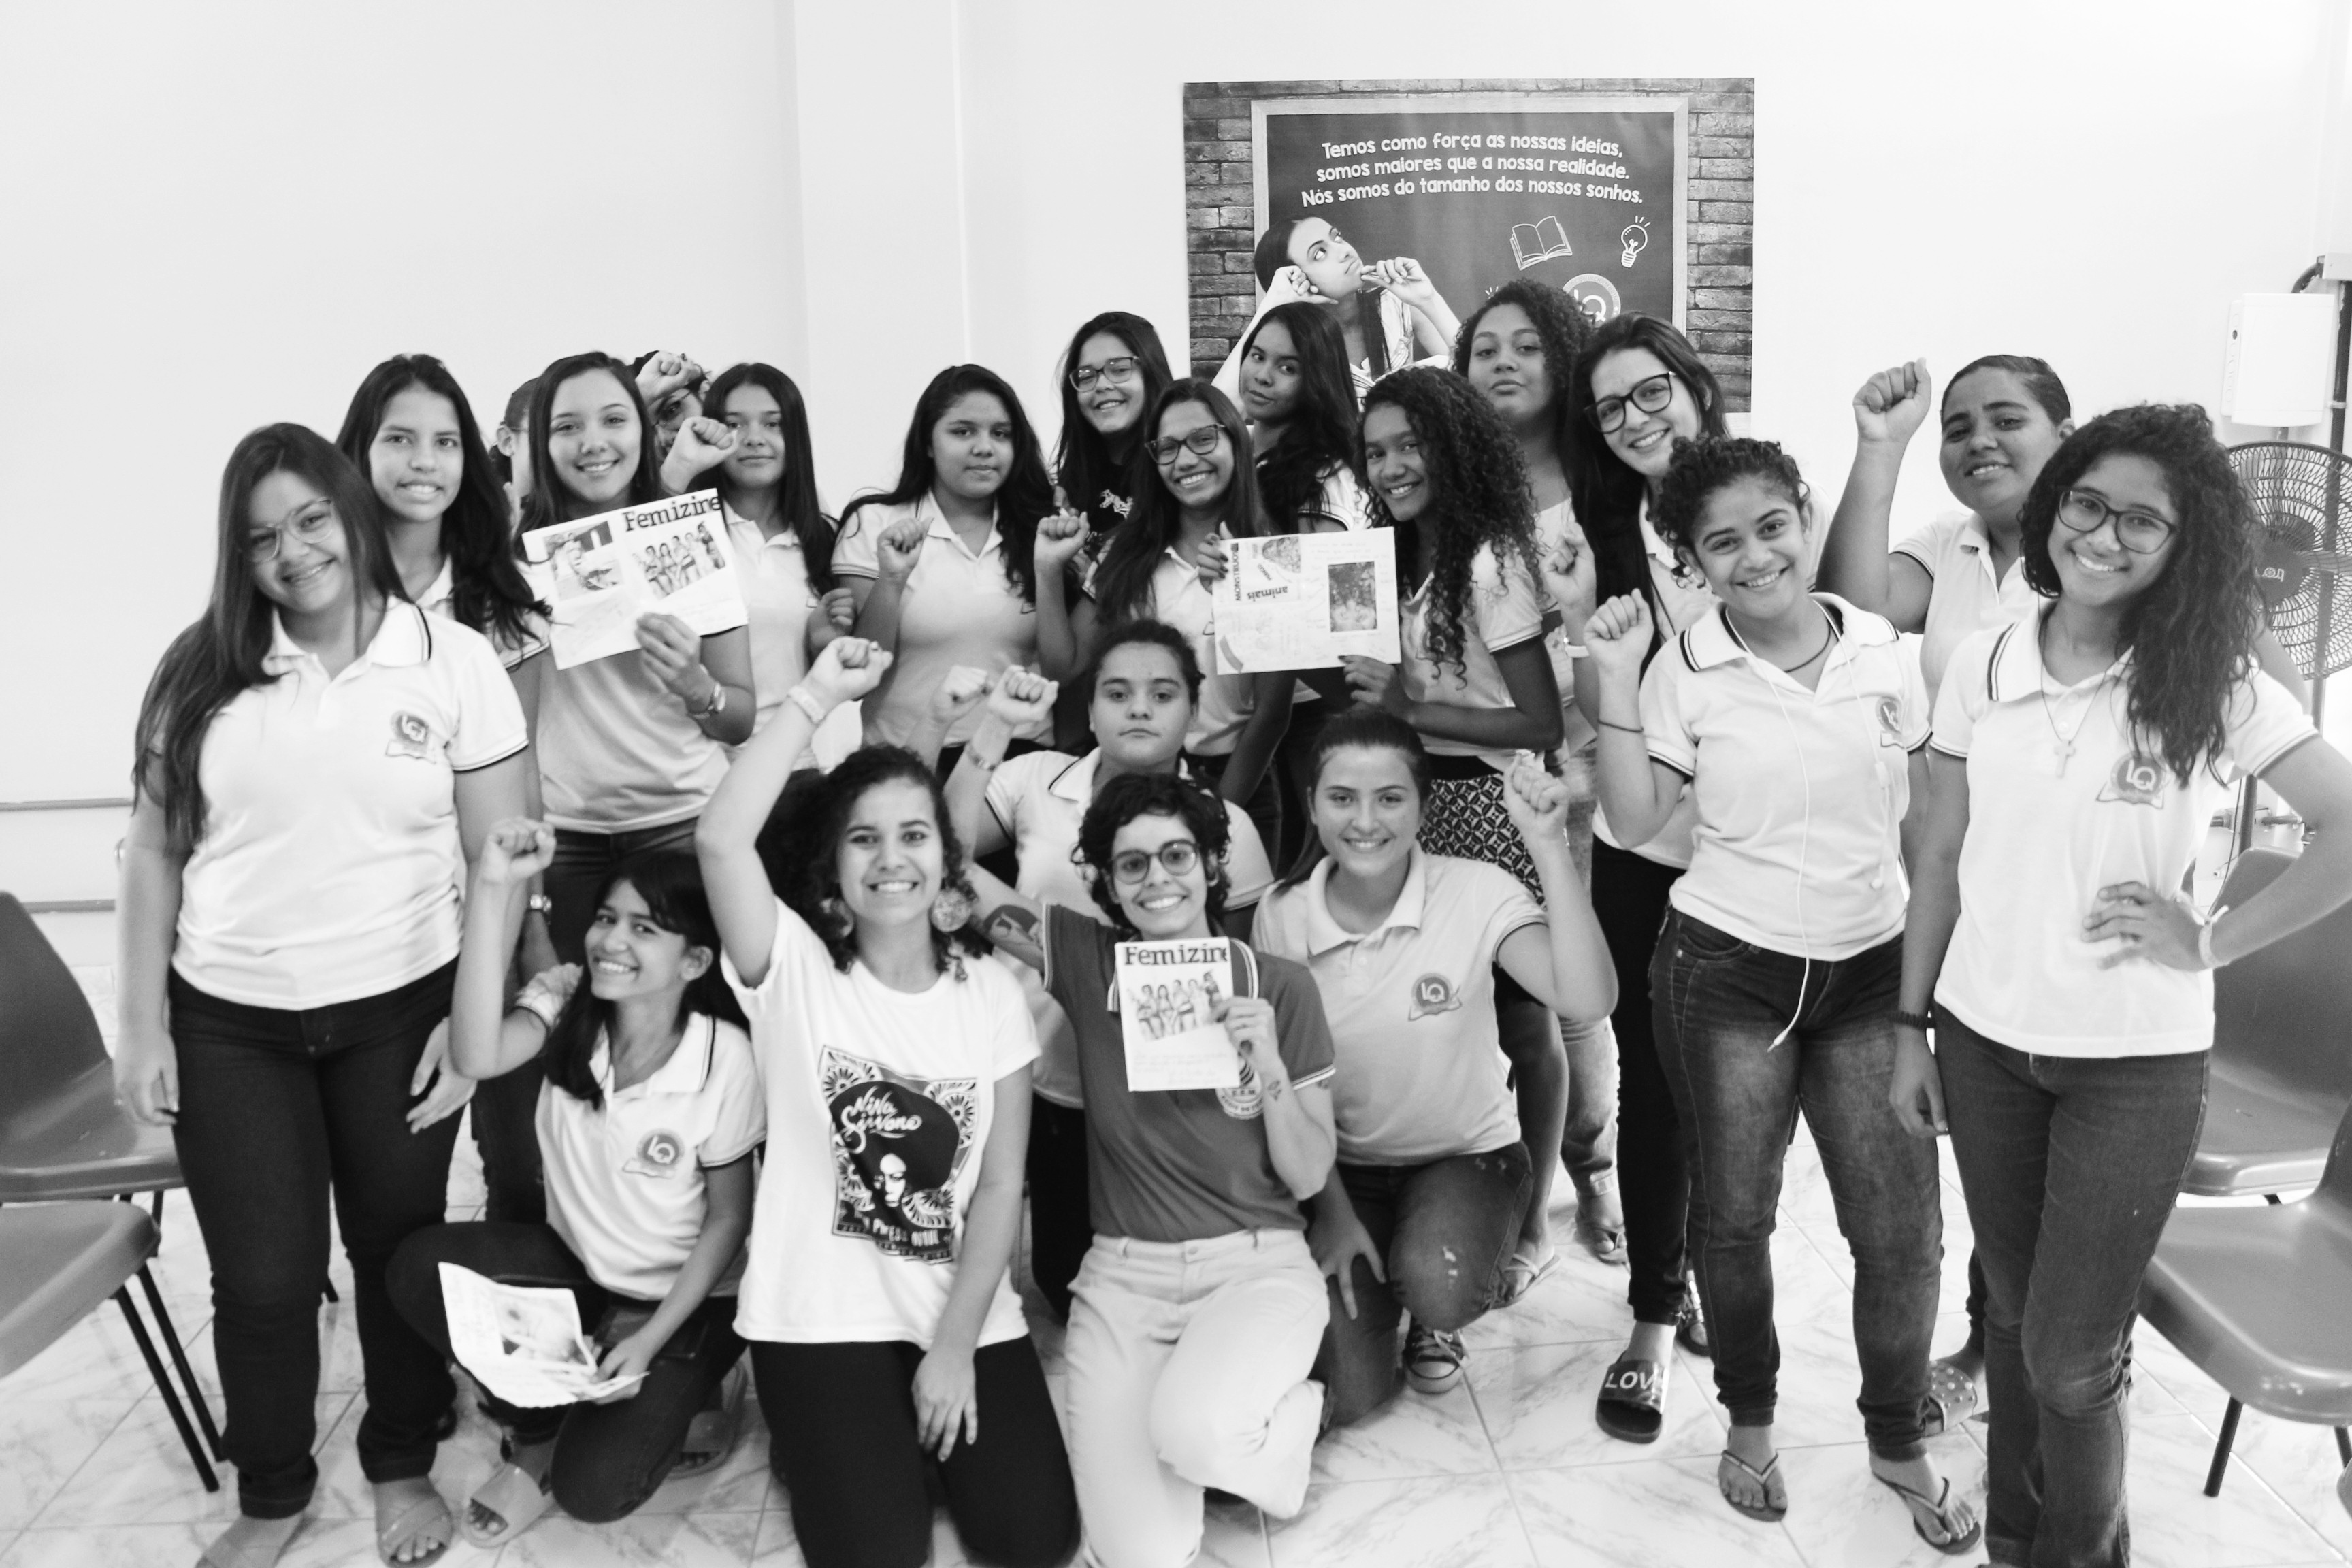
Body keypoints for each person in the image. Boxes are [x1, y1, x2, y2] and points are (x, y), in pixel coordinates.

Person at [1891, 403, 2352, 1568]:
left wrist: (2214, 940)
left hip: (2135, 1063)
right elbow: (1939, 851)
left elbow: (2346, 826)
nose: (2104, 534)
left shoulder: (2212, 675)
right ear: (2056, 506)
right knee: (2013, 1319)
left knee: (2068, 1354)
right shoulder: (1985, 658)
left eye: (2142, 520)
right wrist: (1908, 1024)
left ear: (2183, 543)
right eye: (2088, 504)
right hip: (1983, 1041)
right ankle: (2017, 1540)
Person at [112, 425, 531, 1568]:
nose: (292, 553)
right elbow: (152, 851)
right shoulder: (200, 668)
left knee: (394, 1250)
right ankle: (272, 1491)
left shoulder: (452, 661)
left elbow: (500, 859)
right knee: (263, 1276)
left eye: (309, 520)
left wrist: (468, 1026)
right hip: (229, 1021)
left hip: (401, 1010)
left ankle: (400, 1458)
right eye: (261, 539)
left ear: (351, 513)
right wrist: (140, 1025)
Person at [1584, 435, 1974, 1549]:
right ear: (1691, 560)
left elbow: (1927, 826)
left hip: (1870, 972)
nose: (1755, 557)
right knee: (1736, 1212)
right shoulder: (1682, 667)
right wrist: (1614, 678)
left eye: (1771, 526)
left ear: (1804, 516)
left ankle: (1894, 1436)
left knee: (1900, 1230)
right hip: (1725, 970)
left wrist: (1929, 989)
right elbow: (1635, 816)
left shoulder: (1885, 652)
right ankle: (1749, 1421)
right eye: (1722, 543)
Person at [696, 637, 1079, 1568]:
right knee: (877, 1554)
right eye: (863, 838)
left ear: (947, 857)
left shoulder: (991, 994)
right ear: (833, 864)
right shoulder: (790, 969)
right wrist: (815, 696)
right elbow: (720, 839)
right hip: (820, 1316)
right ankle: (844, 1441)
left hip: (953, 1304)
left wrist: (953, 1348)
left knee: (1033, 1542)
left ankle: (893, 1435)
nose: (891, 858)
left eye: (914, 835)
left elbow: (1001, 1187)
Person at [949, 666, 1339, 1568]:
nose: (1157, 878)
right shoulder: (1086, 960)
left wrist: (1270, 1067)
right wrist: (991, 730)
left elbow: (1310, 1174)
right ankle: (1201, 1425)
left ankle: (1281, 1431)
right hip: (1124, 1280)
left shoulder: (1279, 987)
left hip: (1256, 1264)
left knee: (1198, 1434)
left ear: (1211, 867)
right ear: (1109, 886)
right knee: (1140, 1556)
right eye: (1133, 865)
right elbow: (950, 866)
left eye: (1175, 857)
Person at [386, 845, 760, 1546]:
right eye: (607, 918)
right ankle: (535, 1435)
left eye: (644, 928)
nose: (611, 941)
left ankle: (696, 1387)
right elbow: (476, 1055)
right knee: (418, 1268)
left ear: (695, 962)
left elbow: (729, 1219)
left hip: (688, 1303)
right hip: (582, 1273)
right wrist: (492, 888)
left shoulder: (724, 1057)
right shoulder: (565, 1000)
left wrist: (647, 1342)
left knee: (595, 1490)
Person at [1254, 709, 1614, 1422]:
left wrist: (1546, 845)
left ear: (1423, 806)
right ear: (1311, 807)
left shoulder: (1479, 890)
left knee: (1439, 1283)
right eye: (1342, 798)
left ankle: (1431, 1304)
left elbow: (1589, 996)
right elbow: (1289, 1082)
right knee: (1353, 1391)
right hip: (1343, 1169)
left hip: (1466, 1158)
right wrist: (1332, 1214)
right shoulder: (1280, 912)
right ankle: (1393, 1259)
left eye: (1390, 798)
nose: (1366, 821)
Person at [936, 620, 1278, 1322]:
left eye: (1163, 694)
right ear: (1089, 709)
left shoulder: (1230, 828)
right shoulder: (1036, 779)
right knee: (1067, 1285)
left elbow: (1243, 965)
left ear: (1193, 708)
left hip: (1168, 1099)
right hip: (1046, 1078)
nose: (1140, 709)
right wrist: (993, 729)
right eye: (1117, 694)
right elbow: (945, 859)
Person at [337, 352, 558, 1225]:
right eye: (400, 439)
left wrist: (529, 925)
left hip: (470, 918)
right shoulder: (321, 589)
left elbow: (518, 780)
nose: (424, 462)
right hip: (354, 928)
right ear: (359, 451)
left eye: (445, 442)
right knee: (380, 1172)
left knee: (507, 1154)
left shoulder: (502, 601)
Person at [1559, 310, 1730, 1426]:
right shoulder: (1598, 530)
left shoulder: (1768, 499)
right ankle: (1656, 1312)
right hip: (1645, 849)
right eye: (1610, 406)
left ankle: (1718, 1269)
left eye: (1649, 390)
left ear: (1694, 384)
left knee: (1744, 1088)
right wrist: (1600, 632)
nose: (1632, 419)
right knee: (1658, 1083)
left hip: (1758, 847)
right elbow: (1591, 699)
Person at [1455, 278, 1627, 1269]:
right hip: (1477, 768)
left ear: (1564, 361)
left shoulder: (1604, 483)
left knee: (1579, 994)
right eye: (1486, 349)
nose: (1505, 363)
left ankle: (1593, 1174)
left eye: (1527, 346)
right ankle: (1507, 1182)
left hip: (1592, 761)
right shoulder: (1458, 484)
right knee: (1507, 996)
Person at [519, 352, 755, 964]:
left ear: (643, 431)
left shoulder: (688, 537)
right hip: (565, 836)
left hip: (686, 821)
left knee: (695, 1003)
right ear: (539, 443)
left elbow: (739, 717)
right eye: (567, 426)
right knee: (569, 1007)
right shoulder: (517, 562)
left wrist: (696, 685)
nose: (593, 443)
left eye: (614, 420)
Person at [1043, 380, 1292, 851]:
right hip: (1131, 776)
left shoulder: (1268, 557)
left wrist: (1217, 815)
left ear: (1236, 441)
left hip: (1235, 782)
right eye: (1168, 447)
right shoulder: (1124, 553)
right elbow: (1064, 666)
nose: (1186, 460)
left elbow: (1271, 714)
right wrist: (1047, 570)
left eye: (1203, 439)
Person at [834, 365, 1054, 765]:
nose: (984, 448)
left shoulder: (1041, 528)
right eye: (963, 432)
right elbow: (860, 678)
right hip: (905, 763)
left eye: (1001, 434)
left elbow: (1064, 665)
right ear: (928, 443)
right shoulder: (874, 523)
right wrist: (891, 579)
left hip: (1020, 759)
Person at [670, 361, 852, 772]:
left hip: (793, 768)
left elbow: (838, 682)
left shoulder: (825, 536)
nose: (754, 439)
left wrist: (821, 646)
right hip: (696, 776)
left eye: (773, 424)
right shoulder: (684, 530)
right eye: (734, 425)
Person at [1214, 218, 1460, 398]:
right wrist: (1271, 306)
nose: (1344, 251)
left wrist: (1429, 299)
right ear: (1294, 277)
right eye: (1320, 254)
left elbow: (1470, 377)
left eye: (1337, 237)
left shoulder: (1396, 304)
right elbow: (1221, 413)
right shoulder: (1288, 345)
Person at [1053, 310, 1176, 548]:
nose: (1101, 385)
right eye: (1086, 376)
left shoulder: (1178, 471)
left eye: (1119, 370)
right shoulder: (1068, 492)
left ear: (1151, 373)